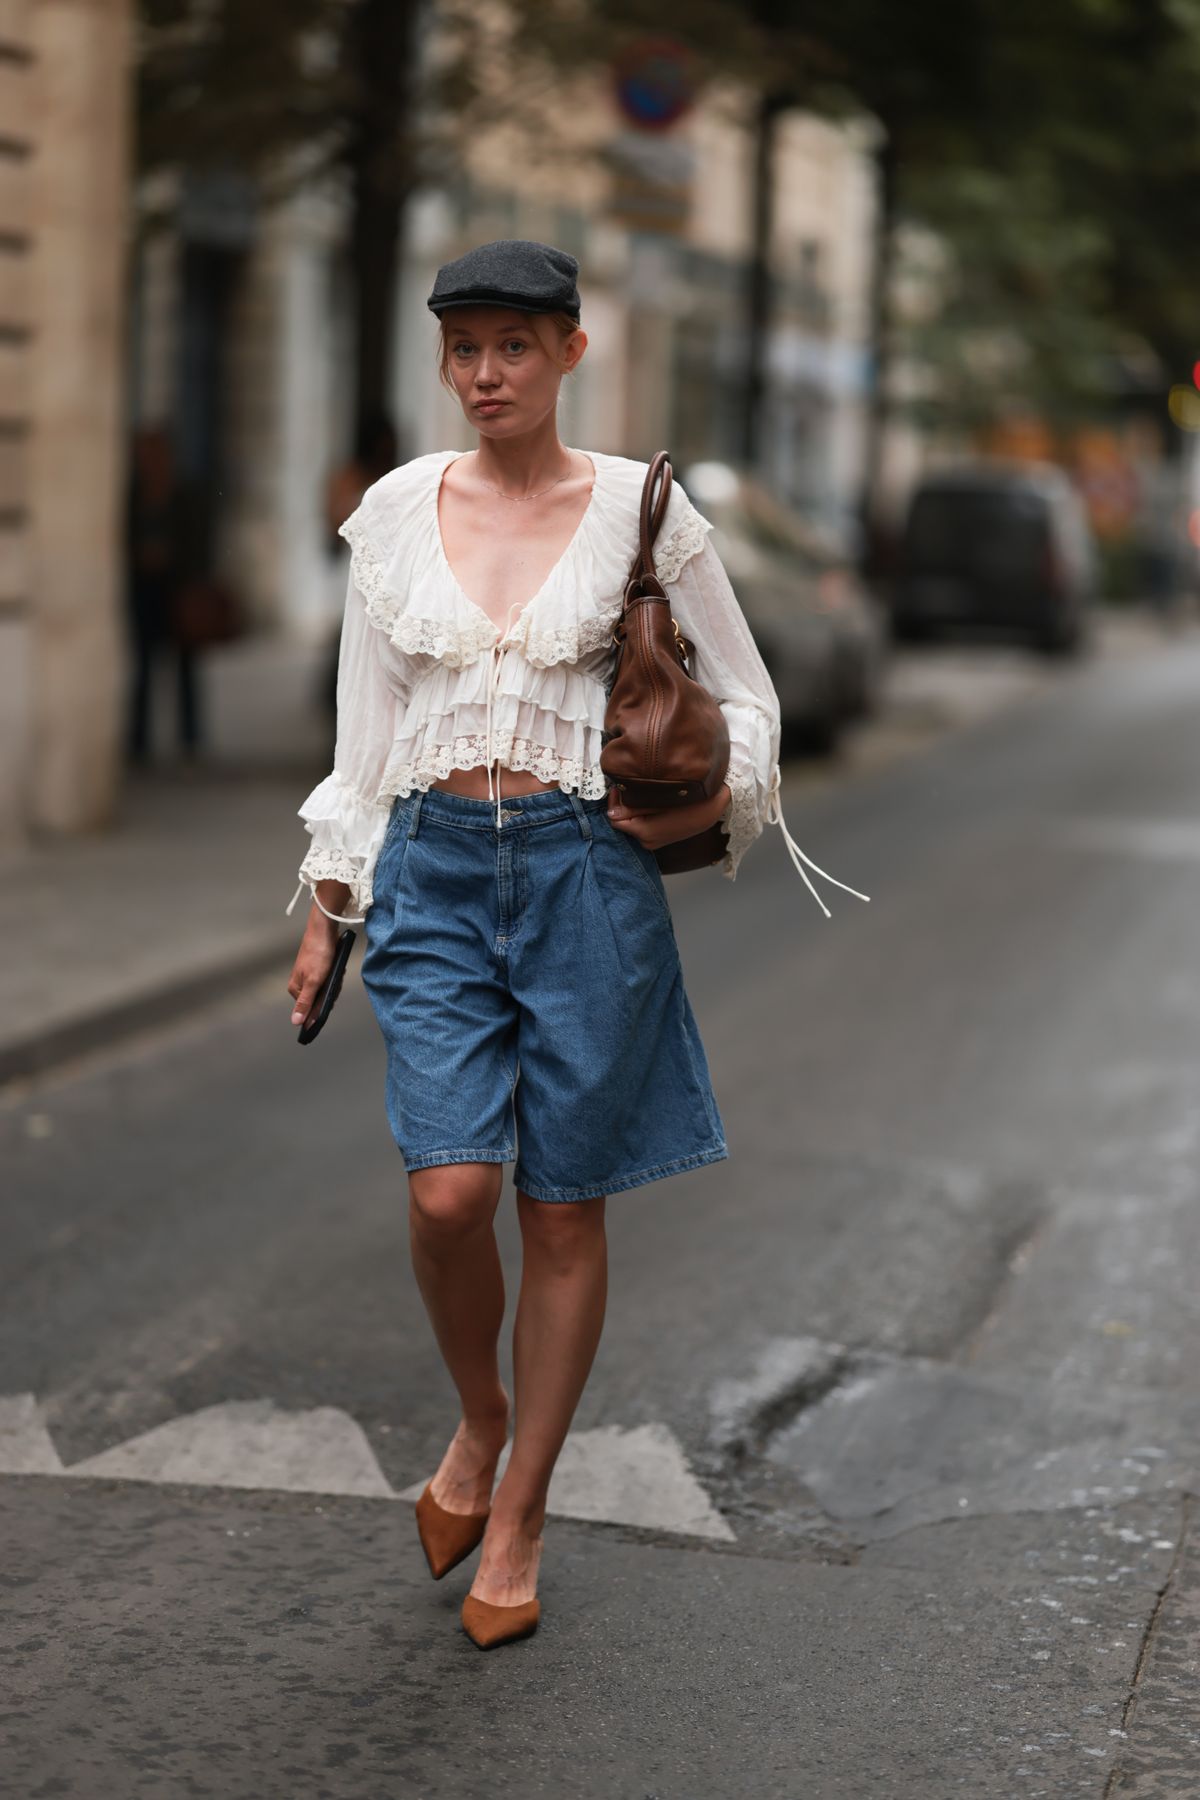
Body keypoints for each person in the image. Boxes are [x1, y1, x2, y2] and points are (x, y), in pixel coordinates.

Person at [284, 240, 867, 1650]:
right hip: (427, 872)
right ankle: (480, 1418)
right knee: (447, 1194)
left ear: (569, 353)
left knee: (560, 1206)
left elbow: (752, 698)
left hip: (586, 880)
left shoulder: (641, 512)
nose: (486, 373)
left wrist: (709, 796)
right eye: (464, 348)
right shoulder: (395, 515)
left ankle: (525, 1506)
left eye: (514, 346)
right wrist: (328, 902)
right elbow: (364, 747)